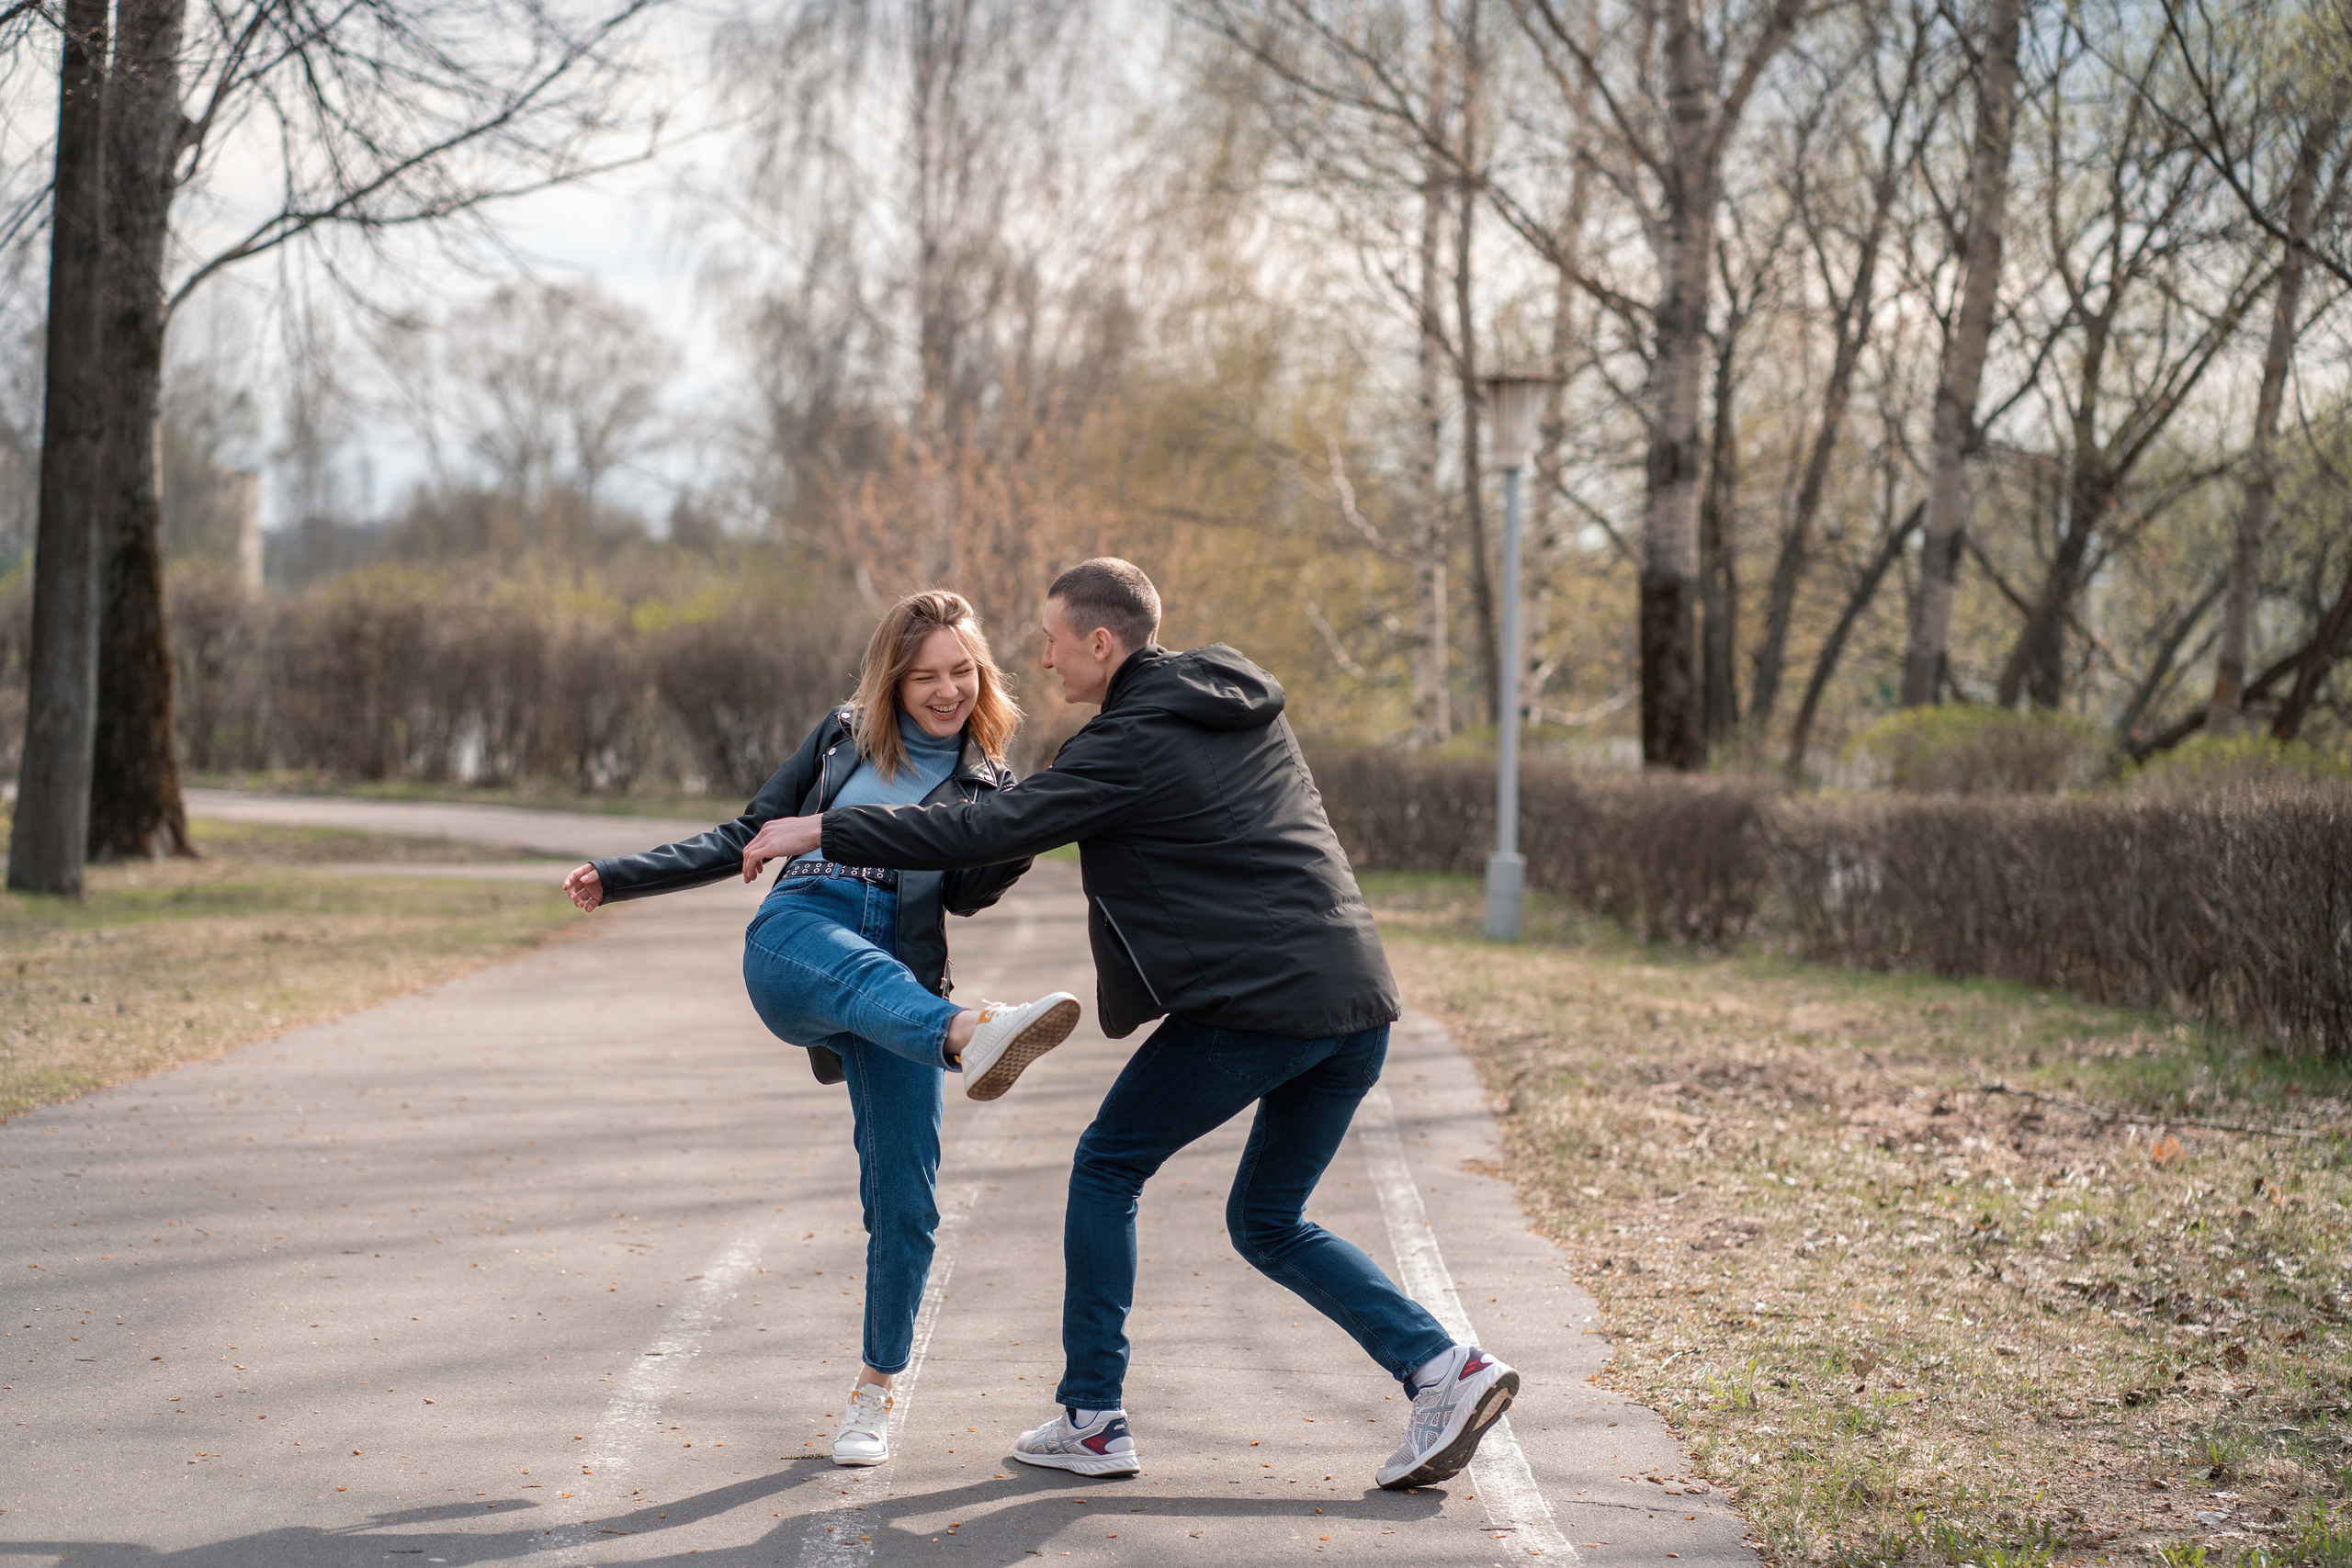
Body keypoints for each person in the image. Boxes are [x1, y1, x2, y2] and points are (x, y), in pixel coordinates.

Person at [748, 558, 1519, 1492]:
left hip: (1256, 1008)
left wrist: (823, 830)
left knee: (1106, 1167)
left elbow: (984, 834)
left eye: (1053, 640)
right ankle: (1446, 1370)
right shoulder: (1231, 690)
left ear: (1102, 643)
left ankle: (1093, 1418)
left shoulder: (1124, 745)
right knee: (1268, 1219)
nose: (1041, 657)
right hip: (1355, 999)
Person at [559, 589, 1082, 1471]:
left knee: (907, 1201)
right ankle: (968, 1033)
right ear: (892, 677)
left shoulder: (989, 782)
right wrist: (621, 877)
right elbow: (749, 830)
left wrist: (1021, 829)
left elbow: (965, 893)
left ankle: (873, 1393)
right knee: (860, 972)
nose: (947, 691)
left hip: (903, 972)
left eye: (962, 672)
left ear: (983, 673)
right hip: (803, 926)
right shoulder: (842, 734)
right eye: (926, 677)